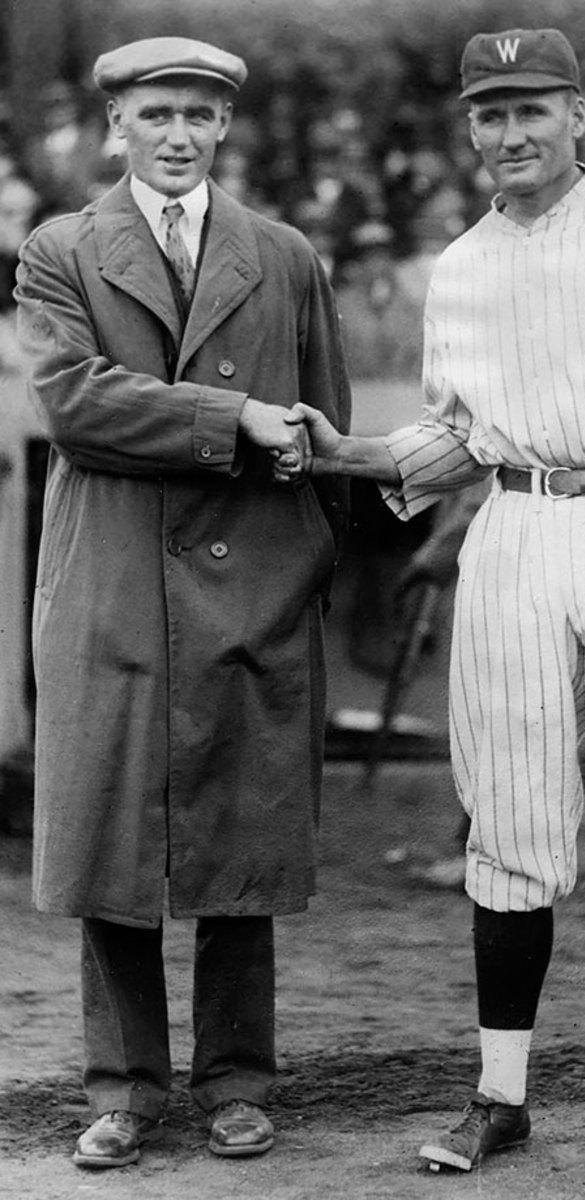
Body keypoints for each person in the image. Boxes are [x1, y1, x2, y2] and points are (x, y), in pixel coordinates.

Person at [278, 27, 585, 1190]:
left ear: (579, 115)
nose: (509, 133)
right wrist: (345, 449)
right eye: (489, 114)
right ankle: (501, 1095)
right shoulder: (460, 264)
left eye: (531, 109)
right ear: (469, 129)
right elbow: (458, 434)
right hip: (514, 532)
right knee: (505, 820)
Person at [14, 37, 350, 1168]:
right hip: (108, 583)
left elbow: (330, 426)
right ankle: (124, 1089)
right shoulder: (59, 249)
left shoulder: (286, 255)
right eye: (156, 113)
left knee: (237, 840)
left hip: (248, 584)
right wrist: (235, 421)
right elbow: (72, 401)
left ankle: (239, 1083)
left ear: (224, 129)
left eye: (200, 116)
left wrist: (300, 554)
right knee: (114, 843)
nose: (178, 134)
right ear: (115, 126)